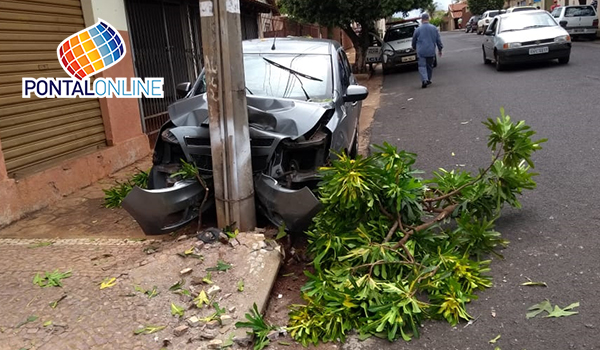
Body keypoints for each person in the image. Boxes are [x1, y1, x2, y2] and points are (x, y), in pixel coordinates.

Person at [412, 13, 443, 89]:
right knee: (429, 66)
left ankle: (424, 79)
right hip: (431, 51)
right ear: (428, 19)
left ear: (422, 20)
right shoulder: (434, 28)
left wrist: (414, 47)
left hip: (421, 51)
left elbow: (414, 40)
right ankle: (428, 79)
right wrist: (440, 49)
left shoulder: (417, 30)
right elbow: (438, 40)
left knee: (422, 66)